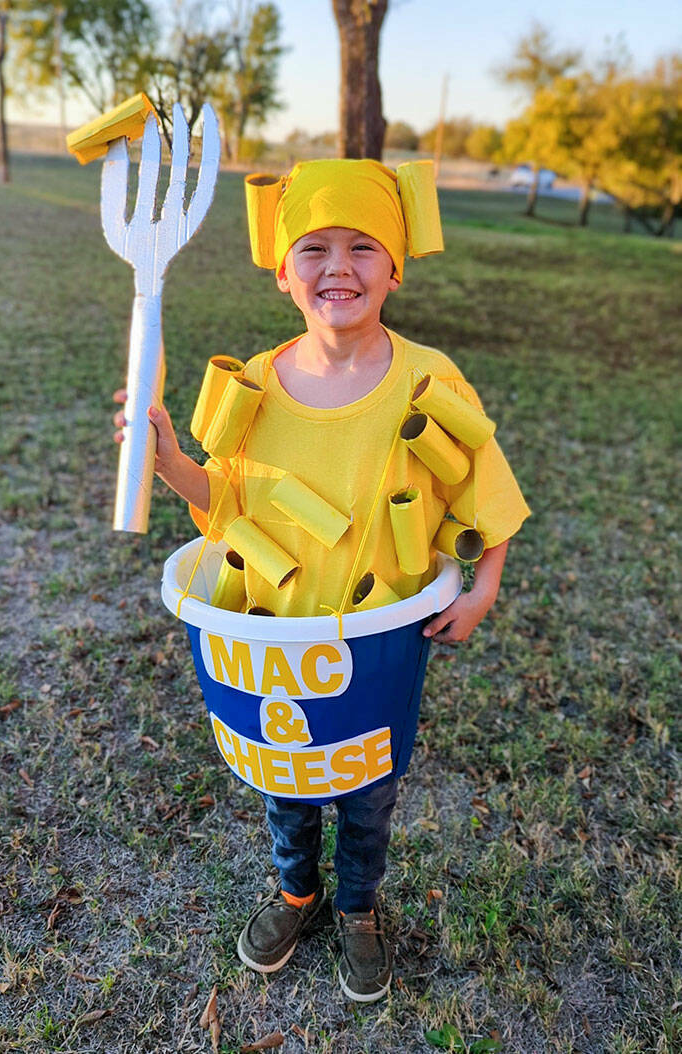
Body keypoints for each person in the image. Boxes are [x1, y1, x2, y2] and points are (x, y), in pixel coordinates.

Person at [113, 158, 530, 1003]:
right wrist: (165, 461)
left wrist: (483, 585)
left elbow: (483, 490)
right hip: (278, 628)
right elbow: (224, 501)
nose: (338, 266)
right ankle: (298, 891)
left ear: (395, 268)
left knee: (369, 791)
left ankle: (360, 908)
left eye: (363, 246)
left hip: (379, 638)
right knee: (287, 781)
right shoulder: (256, 383)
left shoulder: (430, 378)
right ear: (282, 271)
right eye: (314, 247)